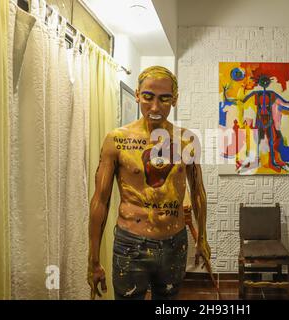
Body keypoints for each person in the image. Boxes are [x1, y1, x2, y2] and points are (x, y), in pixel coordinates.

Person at [87, 66, 210, 300]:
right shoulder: (117, 140)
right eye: (148, 97)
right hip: (130, 244)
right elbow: (100, 201)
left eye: (164, 99)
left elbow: (198, 192)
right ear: (137, 95)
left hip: (175, 243)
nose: (155, 107)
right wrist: (93, 260)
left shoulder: (186, 141)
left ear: (174, 99)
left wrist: (202, 238)